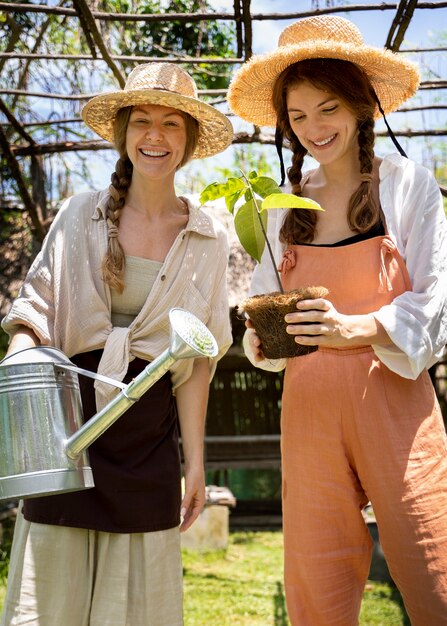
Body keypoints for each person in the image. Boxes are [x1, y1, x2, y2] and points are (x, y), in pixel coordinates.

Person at [227, 15, 447, 626]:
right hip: (309, 414)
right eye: (297, 117)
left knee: (433, 564)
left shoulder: (406, 187)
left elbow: (437, 305)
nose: (313, 129)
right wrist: (261, 336)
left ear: (359, 104)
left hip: (396, 406)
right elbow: (264, 313)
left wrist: (360, 328)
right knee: (316, 578)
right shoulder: (282, 204)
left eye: (326, 109)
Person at [1, 62, 233, 626]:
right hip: (67, 433)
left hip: (147, 443)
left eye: (172, 123)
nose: (156, 136)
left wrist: (195, 465)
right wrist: (25, 369)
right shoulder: (82, 213)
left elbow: (197, 367)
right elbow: (35, 309)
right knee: (50, 605)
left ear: (191, 139)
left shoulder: (206, 237)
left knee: (135, 611)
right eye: (143, 121)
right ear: (125, 132)